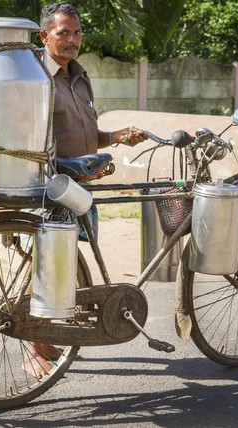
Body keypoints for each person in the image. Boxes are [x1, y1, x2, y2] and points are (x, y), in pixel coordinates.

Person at [23, 2, 147, 378]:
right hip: (51, 186)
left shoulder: (79, 76)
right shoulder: (34, 78)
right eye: (64, 33)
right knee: (39, 266)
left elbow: (86, 133)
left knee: (64, 265)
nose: (72, 40)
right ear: (45, 36)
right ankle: (30, 348)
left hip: (79, 187)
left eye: (77, 33)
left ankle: (47, 338)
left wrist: (116, 137)